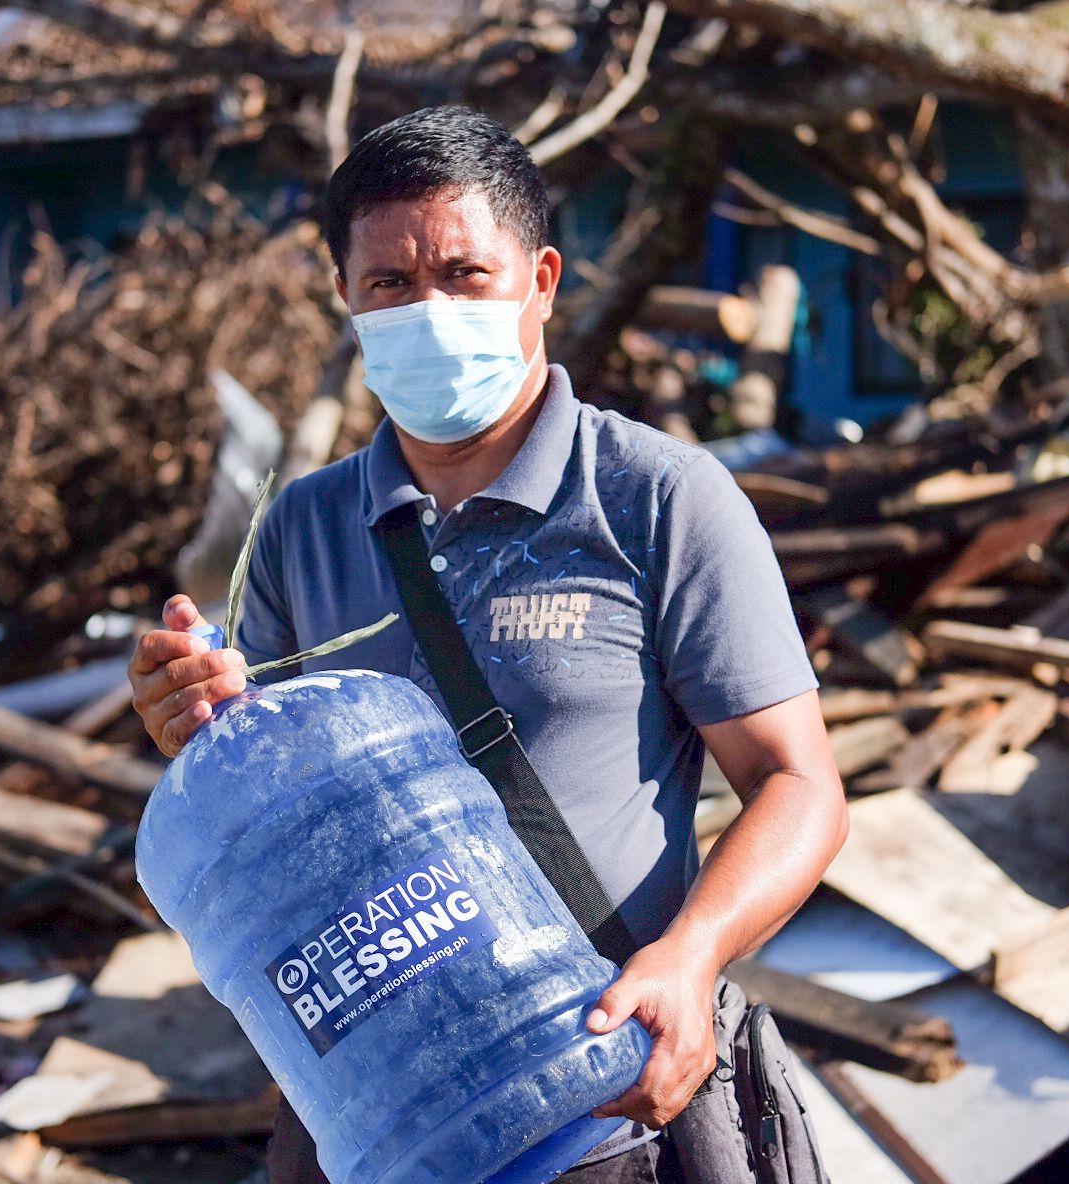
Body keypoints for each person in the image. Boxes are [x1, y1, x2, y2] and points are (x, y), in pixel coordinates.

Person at [130, 106, 847, 1183]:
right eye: (389, 285)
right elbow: (280, 819)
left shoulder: (657, 498)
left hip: (605, 1097)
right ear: (346, 298)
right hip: (381, 1117)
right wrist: (198, 720)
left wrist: (690, 958)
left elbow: (801, 784)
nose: (428, 309)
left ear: (543, 282)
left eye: (465, 275)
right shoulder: (302, 530)